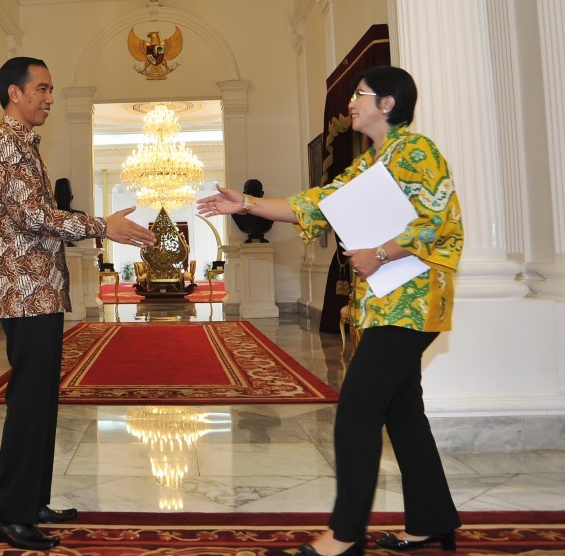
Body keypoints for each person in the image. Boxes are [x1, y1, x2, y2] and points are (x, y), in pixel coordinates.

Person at [197, 65, 463, 556]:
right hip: (385, 302)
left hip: (413, 299)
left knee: (357, 410)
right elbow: (316, 203)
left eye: (360, 95)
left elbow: (441, 221)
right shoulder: (370, 163)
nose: (351, 104)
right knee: (403, 412)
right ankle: (433, 520)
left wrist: (382, 251)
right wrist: (246, 204)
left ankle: (343, 537)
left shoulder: (417, 151)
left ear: (387, 104)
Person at [0, 56, 156, 551]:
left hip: (42, 290)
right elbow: (35, 217)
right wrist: (104, 226)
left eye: (52, 89)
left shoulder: (24, 146)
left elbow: (38, 217)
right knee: (28, 404)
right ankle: (7, 514)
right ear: (14, 93)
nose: (50, 98)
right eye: (42, 88)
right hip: (26, 293)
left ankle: (31, 499)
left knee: (41, 402)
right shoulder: (4, 145)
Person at [231, 178, 273, 242]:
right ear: (244, 194)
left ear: (262, 193)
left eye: (255, 192)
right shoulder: (236, 213)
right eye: (250, 192)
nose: (253, 196)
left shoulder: (271, 212)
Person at [54, 178, 85, 246]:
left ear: (71, 197)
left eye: (66, 194)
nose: (64, 198)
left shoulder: (81, 216)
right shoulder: (50, 218)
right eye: (61, 194)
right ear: (55, 198)